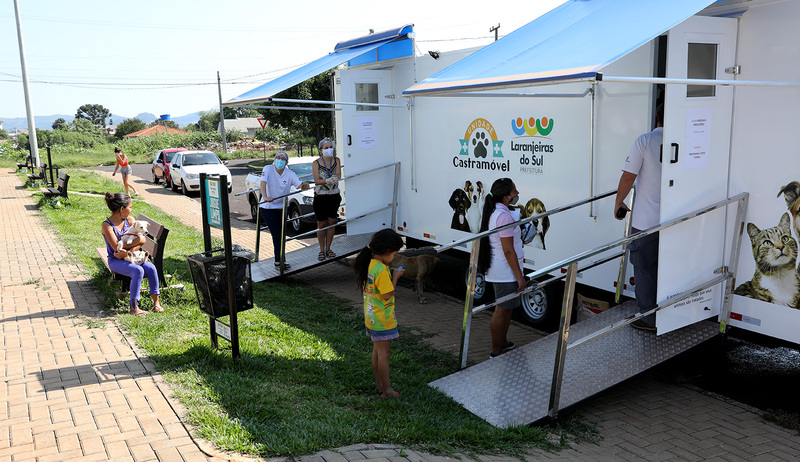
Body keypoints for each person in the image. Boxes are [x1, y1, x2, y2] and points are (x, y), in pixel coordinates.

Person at [614, 107, 664, 332]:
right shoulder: (686, 141)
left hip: (646, 222)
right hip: (677, 221)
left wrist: (619, 202)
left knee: (644, 268)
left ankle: (648, 317)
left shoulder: (645, 141)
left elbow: (628, 176)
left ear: (656, 117)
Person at [354, 229, 405, 398]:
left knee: (377, 352)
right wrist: (396, 276)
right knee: (384, 354)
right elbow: (387, 294)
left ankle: (379, 385)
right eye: (395, 254)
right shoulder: (382, 270)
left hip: (371, 317)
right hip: (382, 318)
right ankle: (387, 390)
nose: (394, 257)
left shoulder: (370, 263)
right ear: (387, 252)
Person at [477, 178, 525, 358]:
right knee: (502, 310)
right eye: (514, 191)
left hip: (504, 270)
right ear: (506, 197)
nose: (517, 194)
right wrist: (519, 277)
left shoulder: (497, 211)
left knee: (507, 308)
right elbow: (508, 251)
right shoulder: (503, 216)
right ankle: (496, 350)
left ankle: (503, 342)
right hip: (505, 272)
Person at [101, 192, 161, 315]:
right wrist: (136, 242)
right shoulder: (107, 226)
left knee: (151, 268)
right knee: (137, 271)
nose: (131, 209)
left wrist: (130, 250)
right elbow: (117, 247)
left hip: (131, 256)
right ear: (122, 209)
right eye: (130, 206)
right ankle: (134, 307)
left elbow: (142, 241)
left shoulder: (130, 220)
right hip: (116, 260)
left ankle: (156, 304)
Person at [260, 151, 310, 268]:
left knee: (282, 235)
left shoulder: (289, 173)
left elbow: (299, 185)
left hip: (282, 207)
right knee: (276, 233)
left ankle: (280, 260)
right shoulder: (268, 169)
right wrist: (265, 196)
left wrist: (304, 185)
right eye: (278, 157)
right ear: (274, 159)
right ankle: (279, 260)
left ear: (286, 162)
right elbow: (263, 183)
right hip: (268, 207)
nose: (280, 160)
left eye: (283, 158)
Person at [311, 138, 342, 261]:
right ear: (321, 150)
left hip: (333, 195)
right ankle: (321, 250)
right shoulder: (316, 163)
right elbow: (316, 180)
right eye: (326, 148)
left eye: (331, 147)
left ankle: (328, 248)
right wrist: (326, 181)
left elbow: (339, 174)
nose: (329, 149)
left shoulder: (336, 160)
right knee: (321, 224)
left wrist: (335, 178)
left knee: (331, 223)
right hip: (321, 196)